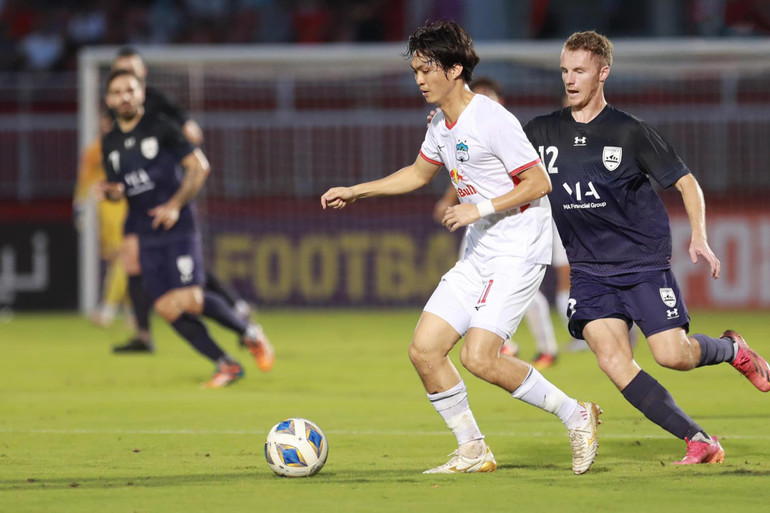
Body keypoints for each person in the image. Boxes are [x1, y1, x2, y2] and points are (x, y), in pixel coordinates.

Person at [321, 20, 601, 475]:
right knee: (425, 350)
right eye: (415, 71)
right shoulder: (439, 123)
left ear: (454, 69)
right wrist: (356, 190)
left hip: (518, 247)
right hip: (481, 248)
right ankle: (473, 449)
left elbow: (538, 181)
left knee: (479, 357)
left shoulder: (492, 118)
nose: (419, 80)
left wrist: (479, 207)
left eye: (427, 69)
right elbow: (416, 174)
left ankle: (577, 414)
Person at [523, 30, 770, 465]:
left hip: (640, 263)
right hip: (588, 270)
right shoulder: (541, 131)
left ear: (603, 73)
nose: (570, 79)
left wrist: (699, 235)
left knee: (673, 356)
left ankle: (732, 349)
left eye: (579, 70)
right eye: (564, 70)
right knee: (614, 361)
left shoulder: (629, 131)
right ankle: (699, 439)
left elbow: (686, 182)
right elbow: (498, 157)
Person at [99, 69, 274, 388]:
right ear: (108, 99)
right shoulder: (109, 143)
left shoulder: (161, 128)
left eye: (130, 90)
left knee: (191, 299)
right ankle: (226, 364)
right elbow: (121, 189)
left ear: (141, 94)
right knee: (166, 308)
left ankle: (249, 332)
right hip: (145, 232)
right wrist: (112, 194)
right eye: (117, 92)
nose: (124, 97)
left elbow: (199, 167)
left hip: (178, 227)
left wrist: (175, 205)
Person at [431, 77, 561, 370]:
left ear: (500, 101)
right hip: (480, 224)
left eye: (489, 97)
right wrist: (449, 199)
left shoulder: (504, 128)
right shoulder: (464, 126)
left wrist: (477, 208)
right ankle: (508, 344)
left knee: (526, 291)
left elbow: (536, 180)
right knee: (473, 278)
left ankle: (543, 347)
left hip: (517, 222)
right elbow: (463, 169)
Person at [74, 108, 129, 328]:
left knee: (123, 257)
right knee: (115, 259)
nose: (105, 127)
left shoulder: (127, 147)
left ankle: (108, 308)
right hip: (103, 210)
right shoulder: (93, 151)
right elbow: (84, 181)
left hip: (124, 207)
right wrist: (79, 207)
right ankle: (132, 312)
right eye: (103, 123)